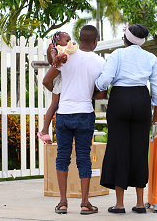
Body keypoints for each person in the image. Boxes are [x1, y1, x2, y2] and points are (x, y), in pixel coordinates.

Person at [95, 24, 157, 214]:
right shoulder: (151, 58)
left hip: (120, 100)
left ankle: (119, 204)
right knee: (140, 150)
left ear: (125, 39)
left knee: (119, 149)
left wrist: (97, 84)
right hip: (142, 101)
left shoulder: (117, 55)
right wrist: (155, 115)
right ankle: (140, 203)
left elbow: (105, 79)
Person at [43, 25, 106, 215]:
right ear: (95, 41)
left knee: (62, 157)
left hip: (64, 114)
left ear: (78, 39)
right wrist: (89, 93)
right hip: (85, 114)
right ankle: (85, 203)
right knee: (83, 158)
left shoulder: (65, 56)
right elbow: (101, 93)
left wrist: (62, 94)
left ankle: (63, 202)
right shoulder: (100, 61)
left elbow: (47, 81)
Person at [38, 31, 77, 144]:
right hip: (59, 80)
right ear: (58, 41)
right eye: (67, 40)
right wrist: (55, 56)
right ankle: (44, 130)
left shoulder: (68, 50)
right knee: (54, 105)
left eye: (70, 40)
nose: (69, 42)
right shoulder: (56, 49)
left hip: (65, 80)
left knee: (59, 105)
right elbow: (52, 60)